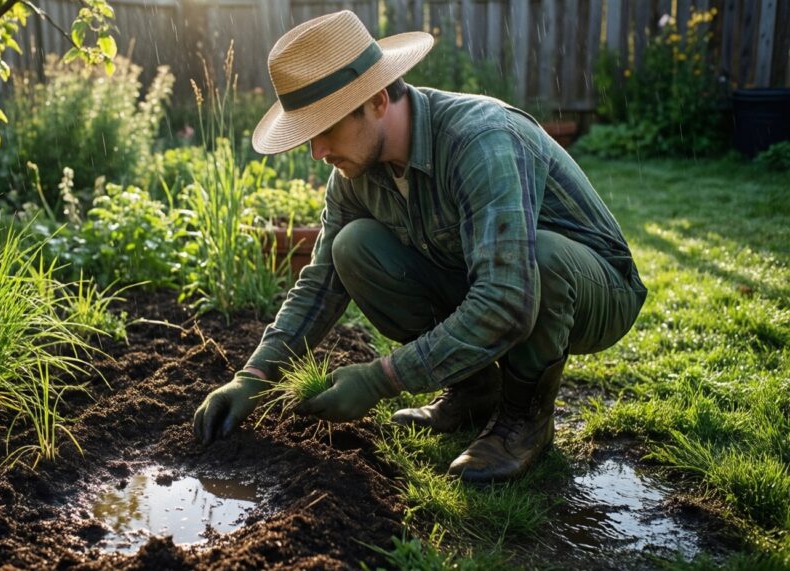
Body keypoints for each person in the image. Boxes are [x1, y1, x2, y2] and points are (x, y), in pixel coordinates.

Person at [192, 10, 647, 482]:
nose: (317, 152)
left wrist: (381, 378)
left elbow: (509, 300)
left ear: (377, 100)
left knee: (541, 260)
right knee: (353, 247)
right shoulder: (353, 175)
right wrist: (254, 377)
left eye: (326, 128)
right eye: (308, 135)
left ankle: (523, 422)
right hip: (486, 275)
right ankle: (473, 391)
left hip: (595, 289)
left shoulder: (479, 140)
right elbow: (320, 281)